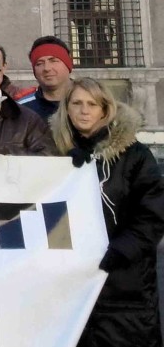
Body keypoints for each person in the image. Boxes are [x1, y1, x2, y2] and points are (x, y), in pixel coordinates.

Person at [49, 78, 164, 347]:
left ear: (105, 109)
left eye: (92, 104)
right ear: (67, 109)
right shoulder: (51, 153)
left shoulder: (135, 155)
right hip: (69, 284)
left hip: (125, 284)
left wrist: (121, 250)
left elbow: (153, 212)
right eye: (77, 103)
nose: (84, 111)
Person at [18, 35, 73, 120]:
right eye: (39, 63)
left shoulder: (91, 101)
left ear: (68, 64)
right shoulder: (21, 110)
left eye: (53, 61)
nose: (47, 68)